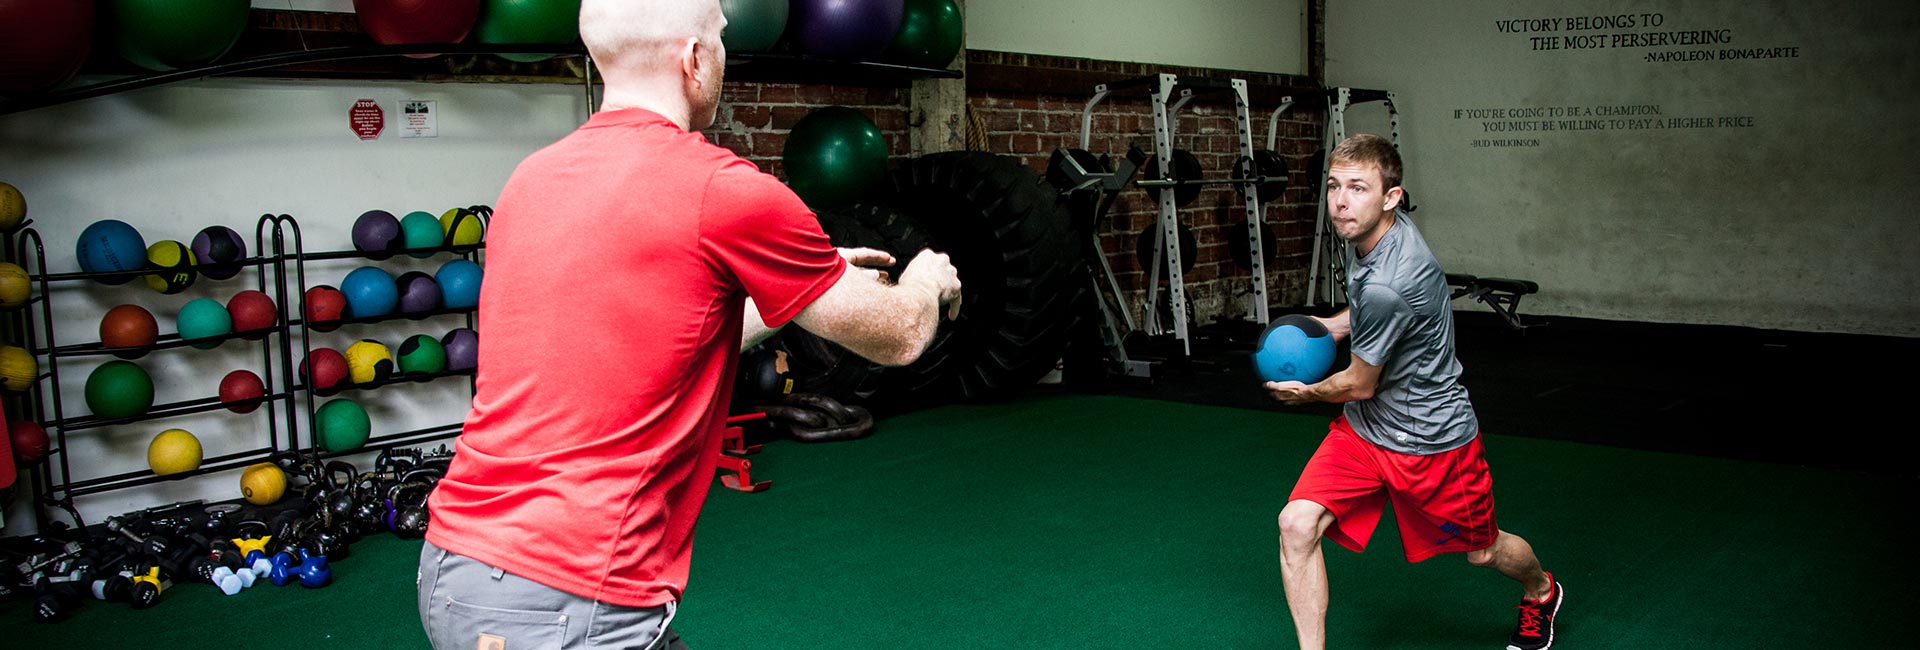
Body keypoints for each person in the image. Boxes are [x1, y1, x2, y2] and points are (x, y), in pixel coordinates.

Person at [415, 1, 963, 648]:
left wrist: (797, 284)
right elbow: (897, 335)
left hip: (454, 566)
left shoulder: (530, 181)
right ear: (694, 59)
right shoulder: (723, 190)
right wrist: (926, 279)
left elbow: (650, 341)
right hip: (568, 600)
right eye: (721, 39)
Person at [1265, 134, 1562, 650]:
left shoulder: (1391, 279)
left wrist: (1305, 393)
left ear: (1392, 196)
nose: (1340, 201)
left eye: (1358, 188)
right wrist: (1336, 327)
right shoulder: (1374, 234)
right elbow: (1373, 310)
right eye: (1335, 186)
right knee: (1296, 523)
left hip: (1431, 440)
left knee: (1483, 551)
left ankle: (1541, 592)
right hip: (1367, 431)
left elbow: (1358, 382)